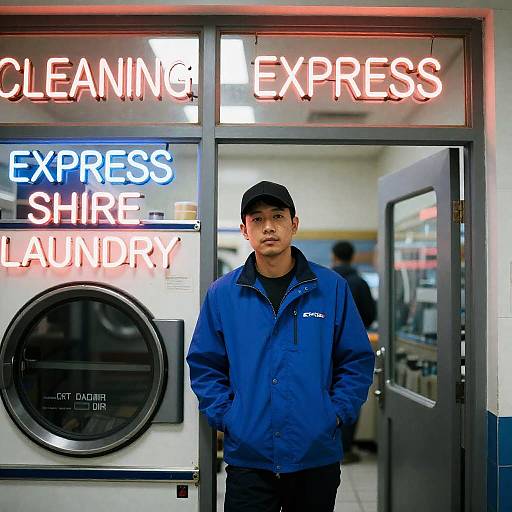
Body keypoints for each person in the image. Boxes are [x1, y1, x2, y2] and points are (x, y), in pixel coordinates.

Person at [187, 181, 375, 512]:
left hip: (314, 455)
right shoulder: (224, 294)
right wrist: (229, 417)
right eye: (257, 219)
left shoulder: (330, 288)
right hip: (249, 458)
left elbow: (356, 360)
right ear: (245, 230)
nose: (269, 226)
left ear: (294, 224)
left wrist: (334, 414)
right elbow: (205, 364)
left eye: (277, 216)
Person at [331, 240, 377, 463]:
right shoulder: (359, 282)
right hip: (353, 346)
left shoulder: (325, 282)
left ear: (334, 256)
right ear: (353, 256)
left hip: (327, 350)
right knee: (349, 394)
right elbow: (369, 314)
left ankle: (329, 445)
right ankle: (345, 449)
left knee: (328, 392)